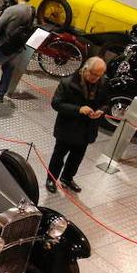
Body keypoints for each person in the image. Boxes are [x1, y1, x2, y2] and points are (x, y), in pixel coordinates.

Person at [45, 57, 108, 193]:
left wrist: (100, 111)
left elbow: (106, 103)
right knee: (58, 156)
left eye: (99, 75)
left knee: (76, 158)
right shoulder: (68, 83)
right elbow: (56, 104)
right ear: (85, 69)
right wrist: (78, 109)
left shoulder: (103, 83)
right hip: (67, 128)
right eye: (93, 74)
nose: (95, 78)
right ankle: (51, 178)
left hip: (87, 129)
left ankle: (67, 178)